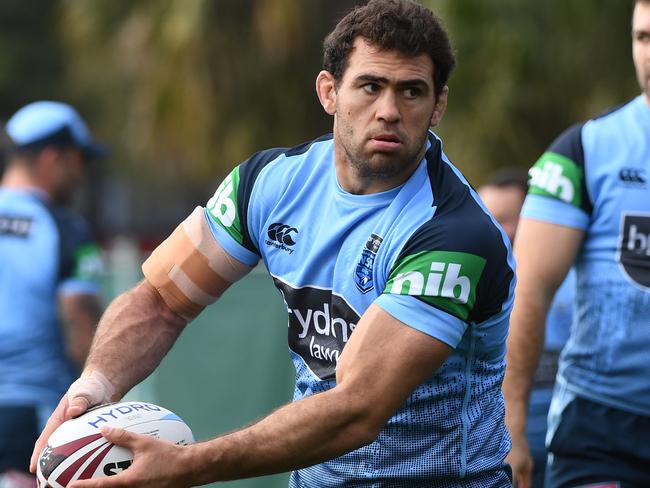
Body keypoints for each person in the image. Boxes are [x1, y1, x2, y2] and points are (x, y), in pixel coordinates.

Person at [33, 2, 517, 486]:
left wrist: (186, 466)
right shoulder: (269, 184)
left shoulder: (454, 235)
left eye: (412, 92)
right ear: (329, 92)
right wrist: (93, 386)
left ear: (438, 106)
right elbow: (161, 301)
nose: (389, 111)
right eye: (371, 86)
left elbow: (357, 409)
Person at [504, 1, 650, 486]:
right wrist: (513, 427)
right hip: (603, 424)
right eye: (642, 38)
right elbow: (528, 291)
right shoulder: (585, 150)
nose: (649, 53)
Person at [0, 101, 105, 486]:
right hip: (30, 421)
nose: (81, 174)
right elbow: (83, 333)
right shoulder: (66, 230)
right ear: (51, 157)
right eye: (78, 161)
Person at [479, 169, 573, 488]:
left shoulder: (569, 281)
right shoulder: (471, 286)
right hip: (497, 450)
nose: (498, 230)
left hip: (572, 442)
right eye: (489, 218)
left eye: (509, 219)